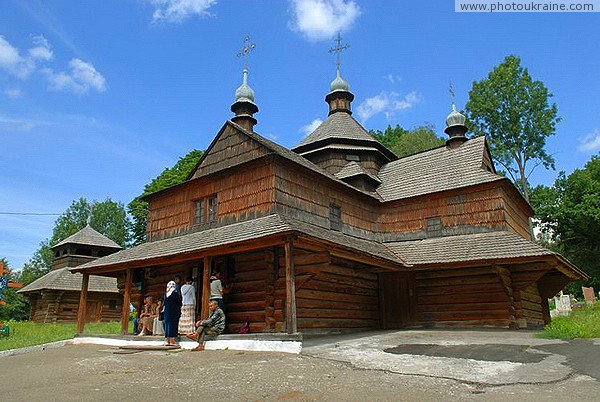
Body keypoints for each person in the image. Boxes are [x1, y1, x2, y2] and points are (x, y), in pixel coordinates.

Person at [163, 280, 182, 346]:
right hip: (174, 311)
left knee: (167, 325)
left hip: (167, 312)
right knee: (173, 325)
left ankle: (167, 341)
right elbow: (179, 302)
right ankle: (172, 341)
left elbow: (165, 303)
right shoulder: (175, 292)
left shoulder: (166, 293)